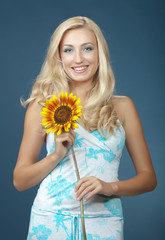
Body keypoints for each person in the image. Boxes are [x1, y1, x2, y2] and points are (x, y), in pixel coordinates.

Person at [13, 16, 157, 240]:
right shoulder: (43, 107)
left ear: (100, 53)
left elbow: (149, 179)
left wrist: (109, 187)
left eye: (87, 48)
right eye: (68, 50)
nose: (78, 59)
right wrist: (55, 156)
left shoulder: (124, 107)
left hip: (105, 222)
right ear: (59, 56)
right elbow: (20, 181)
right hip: (51, 220)